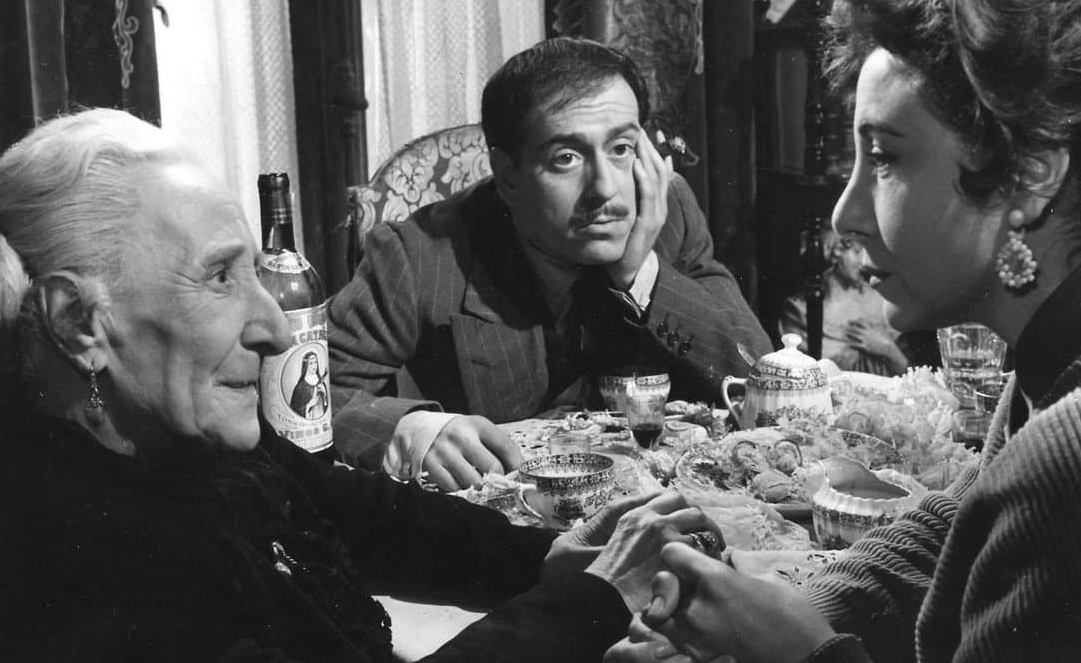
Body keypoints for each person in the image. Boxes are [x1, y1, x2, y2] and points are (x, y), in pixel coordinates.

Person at [608, 0, 1081, 661]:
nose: (844, 215)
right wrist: (775, 609)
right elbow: (965, 523)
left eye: (884, 158)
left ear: (1030, 176)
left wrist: (804, 651)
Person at [0, 108, 728, 663]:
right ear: (78, 323)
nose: (274, 330)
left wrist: (547, 555)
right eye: (220, 278)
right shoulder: (66, 557)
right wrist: (593, 600)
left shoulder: (167, 434)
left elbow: (360, 512)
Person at [328, 38, 771, 490]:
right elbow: (310, 392)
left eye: (621, 148)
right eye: (566, 159)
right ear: (507, 177)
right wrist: (413, 431)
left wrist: (640, 275)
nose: (605, 189)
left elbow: (762, 377)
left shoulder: (667, 211)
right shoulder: (419, 254)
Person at [778, 229, 910, 375]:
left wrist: (887, 348)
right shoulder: (801, 310)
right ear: (834, 254)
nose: (865, 262)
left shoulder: (878, 298)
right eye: (857, 251)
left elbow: (910, 374)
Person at [290, 351, 329, 419]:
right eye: (311, 363)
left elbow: (326, 406)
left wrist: (324, 395)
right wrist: (309, 405)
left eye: (315, 362)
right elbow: (294, 410)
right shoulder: (300, 387)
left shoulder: (321, 383)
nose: (314, 366)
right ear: (306, 365)